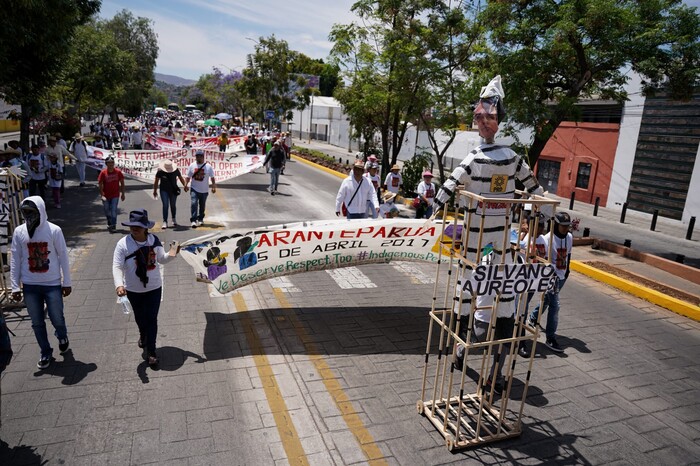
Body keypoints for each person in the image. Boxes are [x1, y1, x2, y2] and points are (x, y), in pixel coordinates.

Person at [10, 196, 72, 370]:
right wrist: (15, 286)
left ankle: (62, 336)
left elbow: (63, 257)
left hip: (52, 283)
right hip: (30, 285)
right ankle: (45, 352)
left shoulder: (54, 230)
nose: (29, 216)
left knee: (57, 318)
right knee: (36, 322)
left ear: (41, 211)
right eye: (25, 213)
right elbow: (15, 259)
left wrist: (66, 282)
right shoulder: (19, 232)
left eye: (32, 212)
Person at [112, 209, 179, 368]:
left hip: (154, 288)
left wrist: (173, 252)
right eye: (132, 226)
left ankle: (152, 352)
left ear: (145, 227)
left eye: (139, 226)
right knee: (140, 319)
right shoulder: (123, 244)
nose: (135, 229)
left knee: (151, 319)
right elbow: (117, 266)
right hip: (134, 291)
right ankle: (143, 333)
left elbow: (162, 259)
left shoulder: (153, 240)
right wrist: (119, 285)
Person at [527, 211, 573, 353]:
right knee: (555, 305)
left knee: (547, 300)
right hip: (550, 276)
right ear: (556, 225)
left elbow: (569, 254)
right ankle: (550, 338)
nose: (566, 229)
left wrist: (567, 270)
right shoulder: (548, 238)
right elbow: (543, 258)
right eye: (563, 226)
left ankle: (533, 318)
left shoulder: (570, 237)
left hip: (562, 275)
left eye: (567, 226)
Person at [184, 150, 216, 228]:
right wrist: (185, 185)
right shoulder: (192, 165)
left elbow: (212, 178)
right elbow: (188, 177)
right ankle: (193, 220)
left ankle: (200, 218)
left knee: (202, 205)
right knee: (194, 203)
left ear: (203, 157)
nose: (198, 158)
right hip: (194, 189)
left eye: (200, 156)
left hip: (204, 190)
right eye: (197, 156)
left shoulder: (208, 166)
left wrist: (213, 187)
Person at [153, 159, 187, 228]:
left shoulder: (176, 170)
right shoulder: (160, 171)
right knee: (165, 205)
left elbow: (180, 178)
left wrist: (185, 186)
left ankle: (174, 219)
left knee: (173, 205)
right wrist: (155, 191)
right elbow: (156, 181)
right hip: (164, 190)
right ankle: (165, 221)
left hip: (173, 190)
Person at [97, 156, 126, 232]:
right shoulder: (103, 173)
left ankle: (113, 225)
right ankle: (109, 222)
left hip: (115, 195)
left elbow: (122, 183)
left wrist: (123, 194)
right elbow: (100, 184)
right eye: (109, 163)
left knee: (113, 210)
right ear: (106, 164)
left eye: (112, 163)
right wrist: (102, 195)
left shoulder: (118, 172)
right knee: (107, 210)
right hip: (106, 195)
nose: (111, 165)